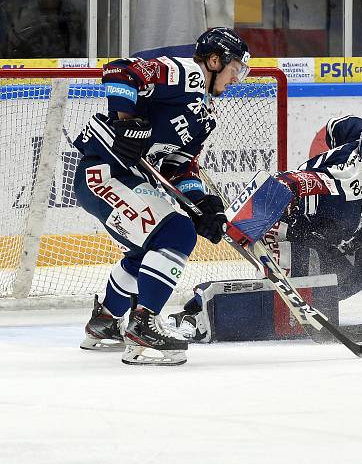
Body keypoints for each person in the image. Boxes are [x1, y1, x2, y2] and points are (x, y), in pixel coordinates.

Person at [75, 27, 251, 366]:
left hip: (120, 177)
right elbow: (119, 70)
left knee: (150, 250)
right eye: (234, 70)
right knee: (176, 233)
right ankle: (143, 326)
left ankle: (106, 321)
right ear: (214, 60)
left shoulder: (205, 117)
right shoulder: (188, 75)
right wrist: (127, 120)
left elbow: (178, 167)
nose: (235, 80)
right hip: (104, 171)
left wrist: (203, 204)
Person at [169, 115, 362, 340]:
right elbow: (288, 181)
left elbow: (339, 126)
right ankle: (201, 308)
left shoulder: (359, 137)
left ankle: (323, 302)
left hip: (328, 228)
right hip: (288, 229)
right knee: (283, 306)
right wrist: (244, 221)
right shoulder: (345, 174)